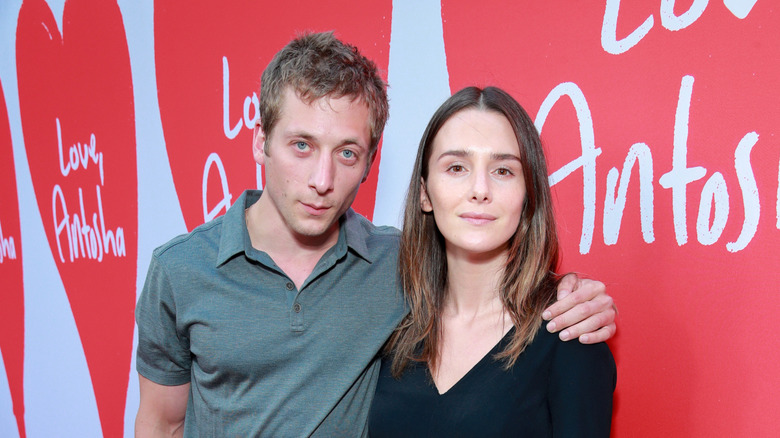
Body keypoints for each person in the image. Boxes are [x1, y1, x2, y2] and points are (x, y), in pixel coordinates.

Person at [134, 33, 617, 437]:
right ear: (260, 141)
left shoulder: (393, 266)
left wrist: (571, 292)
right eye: (301, 145)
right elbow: (162, 424)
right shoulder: (180, 271)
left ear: (370, 161)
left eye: (347, 153)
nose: (321, 179)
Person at [369, 86, 616, 437]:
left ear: (528, 196)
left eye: (503, 171)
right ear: (425, 193)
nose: (480, 189)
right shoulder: (387, 325)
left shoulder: (569, 333)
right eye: (456, 167)